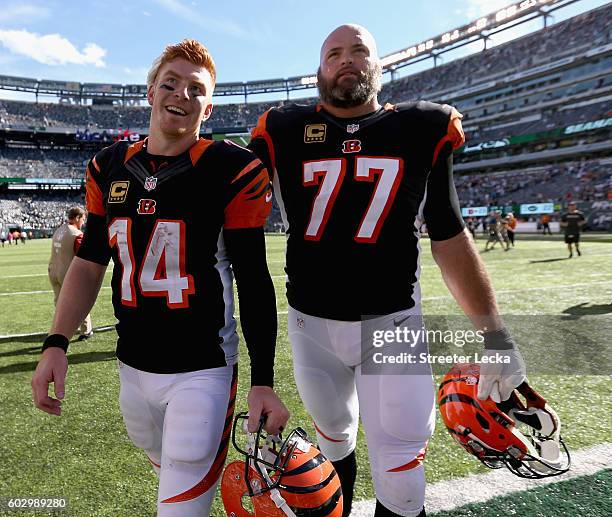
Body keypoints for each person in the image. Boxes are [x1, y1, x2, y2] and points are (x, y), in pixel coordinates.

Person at [249, 24, 526, 517]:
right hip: (310, 325)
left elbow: (450, 236)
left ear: (378, 66)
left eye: (359, 51)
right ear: (319, 69)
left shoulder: (421, 128)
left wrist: (496, 335)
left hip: (391, 325)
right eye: (334, 53)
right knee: (330, 448)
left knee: (400, 474)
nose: (346, 60)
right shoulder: (283, 130)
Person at [31, 39, 289, 516]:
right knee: (155, 452)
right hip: (132, 364)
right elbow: (89, 263)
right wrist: (56, 342)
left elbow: (254, 279)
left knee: (180, 488)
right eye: (170, 82)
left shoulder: (232, 169)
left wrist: (263, 379)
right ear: (151, 91)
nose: (181, 94)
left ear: (208, 108)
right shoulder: (108, 167)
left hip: (202, 367)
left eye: (196, 89)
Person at [48, 206, 93, 340]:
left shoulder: (58, 230)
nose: (83, 222)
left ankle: (60, 330)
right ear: (77, 218)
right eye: (83, 219)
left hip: (53, 271)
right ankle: (86, 330)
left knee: (59, 303)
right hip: (66, 273)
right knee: (81, 301)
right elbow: (83, 256)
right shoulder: (76, 234)